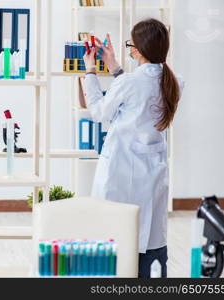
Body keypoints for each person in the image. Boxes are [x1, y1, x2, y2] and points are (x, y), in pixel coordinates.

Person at [83, 18, 184, 278]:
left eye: (131, 44)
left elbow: (98, 113)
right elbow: (138, 94)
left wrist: (90, 71)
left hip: (120, 173)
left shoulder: (129, 83)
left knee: (115, 242)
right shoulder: (175, 82)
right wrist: (115, 68)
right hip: (153, 176)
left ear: (137, 50)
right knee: (150, 245)